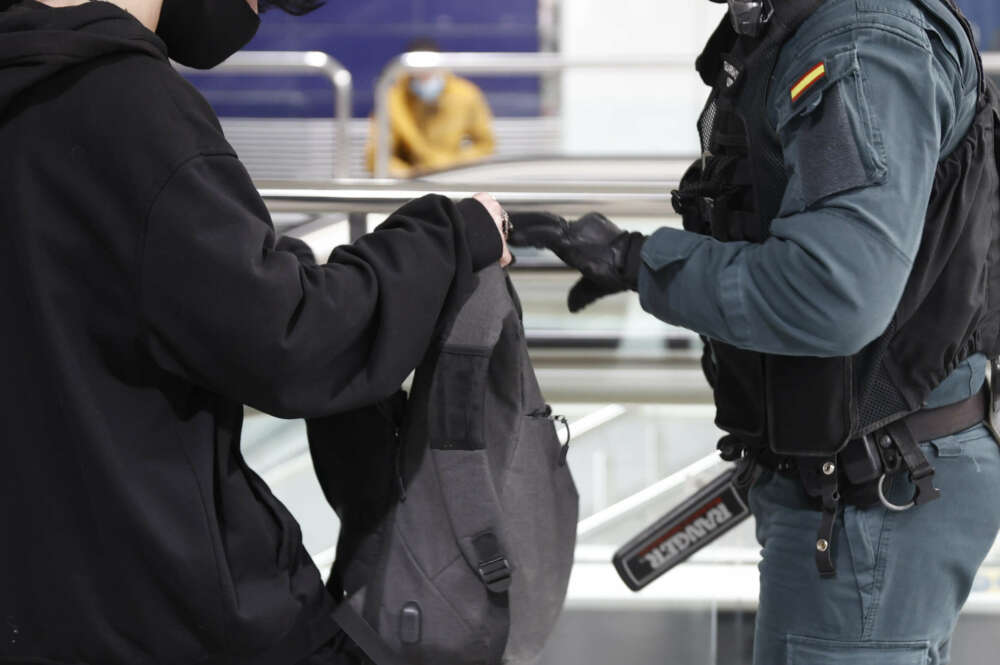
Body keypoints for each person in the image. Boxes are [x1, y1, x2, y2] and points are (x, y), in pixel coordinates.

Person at [0, 0, 511, 663]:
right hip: (169, 613)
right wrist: (450, 234)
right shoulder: (129, 106)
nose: (257, 13)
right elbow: (291, 341)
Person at [511, 0, 1000, 662]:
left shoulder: (862, 41)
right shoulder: (813, 26)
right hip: (860, 480)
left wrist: (639, 260)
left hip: (874, 498)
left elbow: (834, 292)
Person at [365, 38, 496, 178]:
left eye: (429, 69)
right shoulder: (393, 99)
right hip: (410, 180)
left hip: (454, 175)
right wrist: (408, 173)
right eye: (419, 70)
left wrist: (452, 165)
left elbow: (485, 146)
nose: (424, 75)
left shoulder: (465, 95)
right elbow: (377, 156)